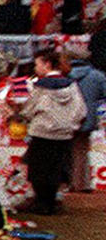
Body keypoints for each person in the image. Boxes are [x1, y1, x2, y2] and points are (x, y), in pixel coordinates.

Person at [16, 49, 87, 214]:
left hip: (42, 132)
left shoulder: (39, 87)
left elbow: (28, 109)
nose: (36, 68)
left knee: (39, 170)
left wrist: (23, 113)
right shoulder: (71, 85)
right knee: (57, 169)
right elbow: (81, 110)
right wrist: (71, 125)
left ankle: (41, 202)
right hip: (64, 134)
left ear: (47, 64)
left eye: (37, 64)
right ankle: (51, 201)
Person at [70, 55, 105, 193]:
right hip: (89, 117)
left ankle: (69, 182)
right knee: (82, 151)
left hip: (67, 117)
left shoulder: (65, 75)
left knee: (68, 151)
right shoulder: (97, 75)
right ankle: (83, 183)